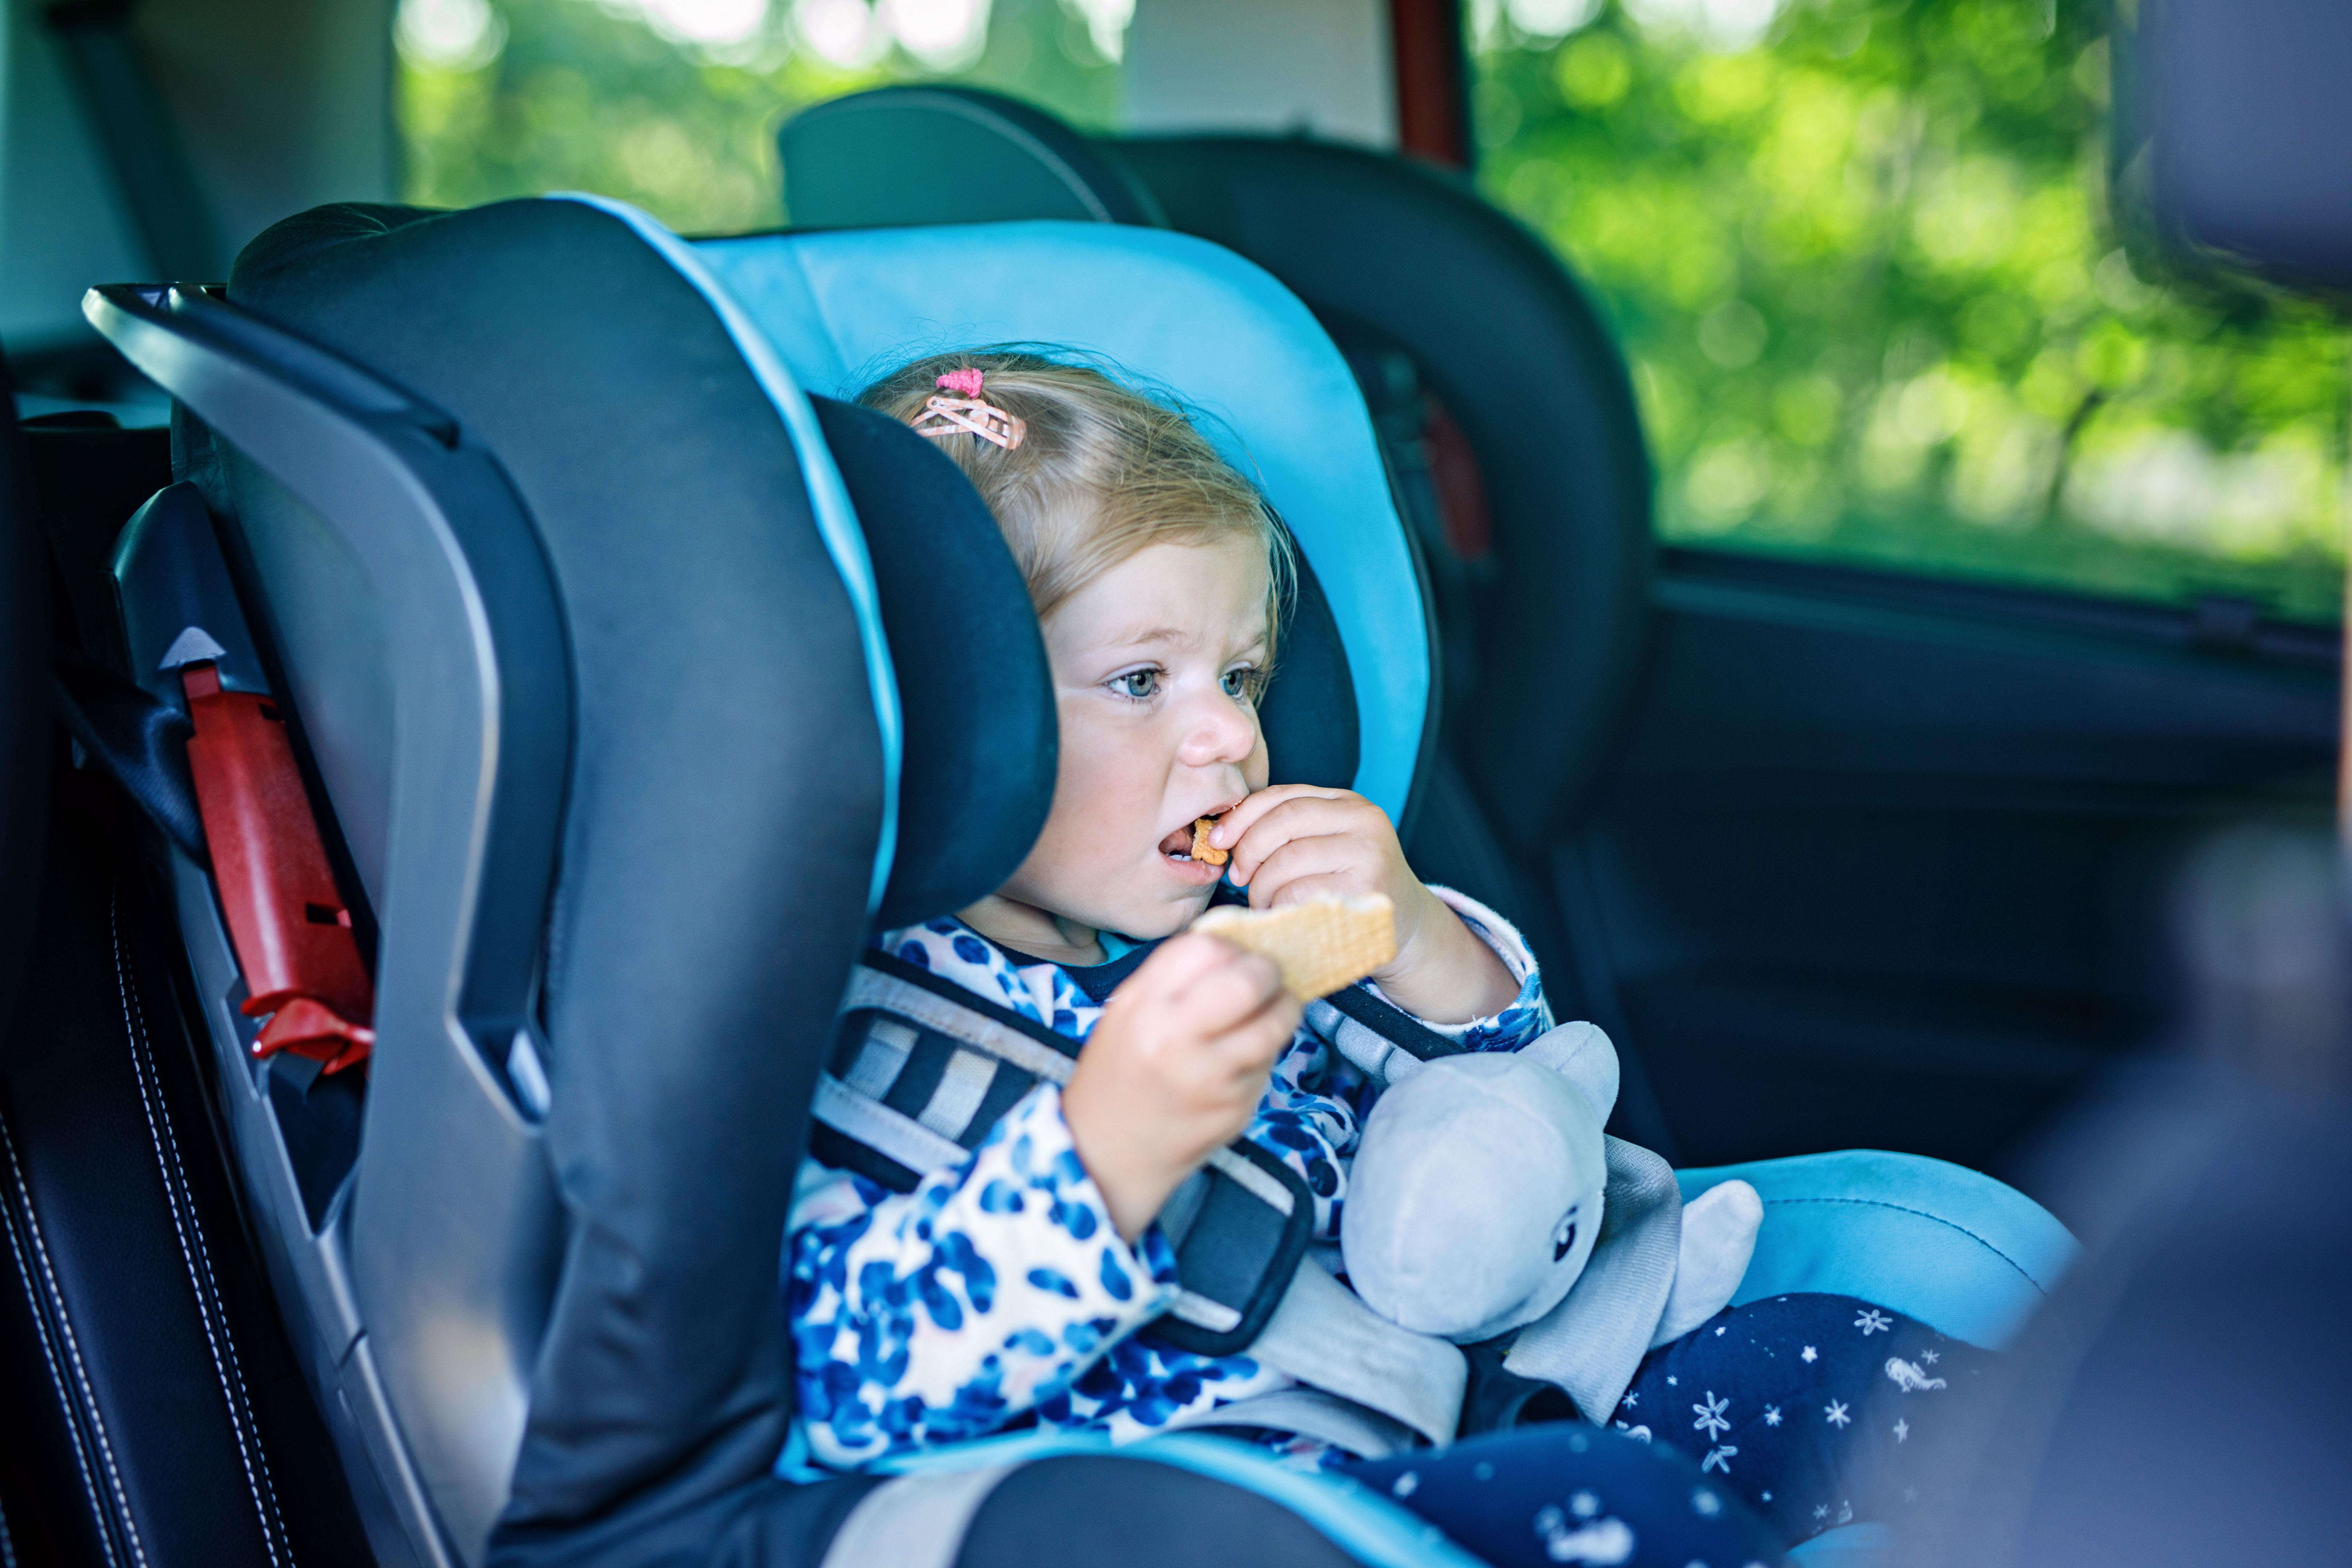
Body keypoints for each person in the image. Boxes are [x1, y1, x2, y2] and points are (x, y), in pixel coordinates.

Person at [783, 351, 1976, 1567]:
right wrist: (1101, 1157)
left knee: (1864, 1370)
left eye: (1240, 676)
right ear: (938, 712)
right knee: (1623, 1508)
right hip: (1266, 1503)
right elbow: (849, 1384)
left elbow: (1508, 1098)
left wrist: (1411, 931)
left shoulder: (1231, 919)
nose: (1232, 735)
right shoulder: (859, 1033)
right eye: (1141, 681)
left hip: (1495, 1385)